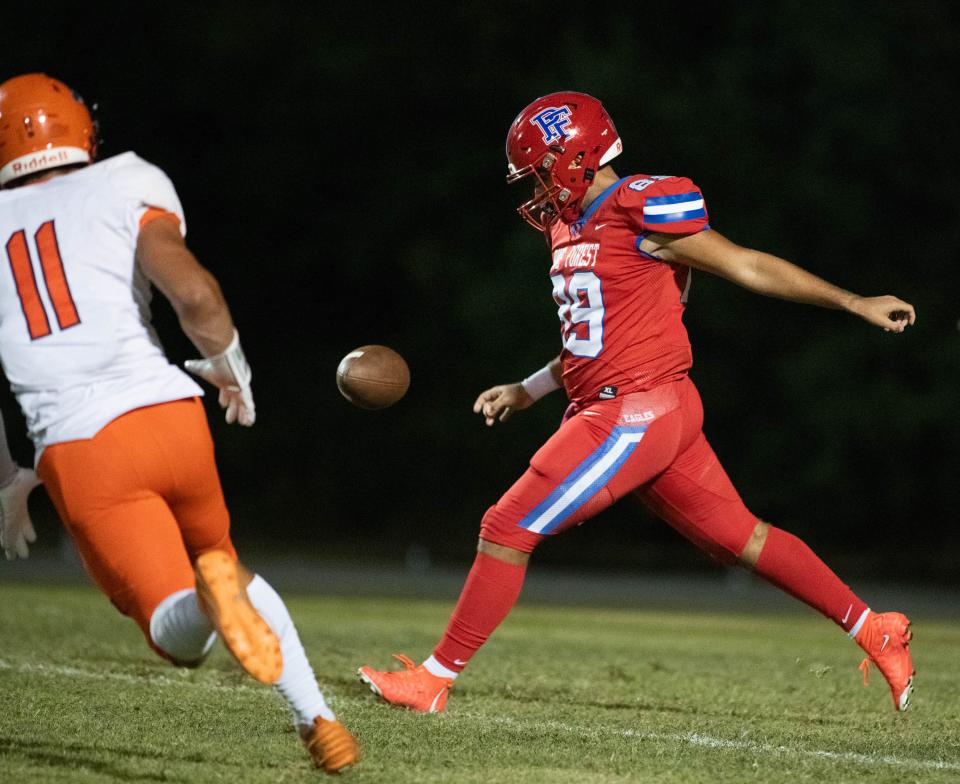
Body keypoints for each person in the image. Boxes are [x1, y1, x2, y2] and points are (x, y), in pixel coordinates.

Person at [359, 91, 916, 715]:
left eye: (543, 170)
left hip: (634, 412)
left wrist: (852, 302)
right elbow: (589, 339)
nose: (537, 188)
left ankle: (432, 680)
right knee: (744, 540)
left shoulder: (640, 207)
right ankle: (876, 629)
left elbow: (746, 264)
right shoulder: (567, 226)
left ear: (577, 156)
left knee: (507, 526)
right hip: (639, 406)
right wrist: (530, 389)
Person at [0, 73, 359, 774]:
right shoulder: (127, 179)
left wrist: (11, 476)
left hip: (84, 449)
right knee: (224, 562)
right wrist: (232, 369)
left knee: (178, 635)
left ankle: (210, 597)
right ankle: (318, 719)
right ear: (79, 128)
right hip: (172, 416)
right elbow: (194, 294)